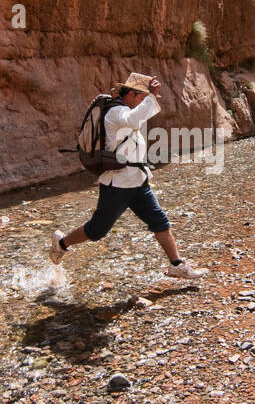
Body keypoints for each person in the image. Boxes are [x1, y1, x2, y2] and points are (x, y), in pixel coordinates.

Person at [50, 73, 207, 279]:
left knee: (160, 221)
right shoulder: (117, 112)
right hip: (118, 183)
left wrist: (149, 98)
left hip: (138, 181)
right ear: (132, 95)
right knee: (97, 230)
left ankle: (176, 264)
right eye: (141, 99)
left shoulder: (125, 112)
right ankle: (61, 244)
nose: (143, 104)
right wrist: (151, 96)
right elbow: (134, 119)